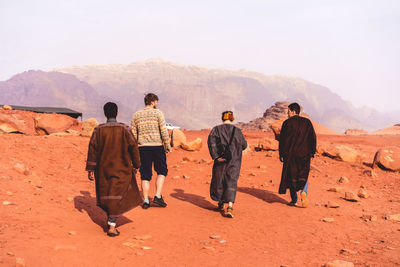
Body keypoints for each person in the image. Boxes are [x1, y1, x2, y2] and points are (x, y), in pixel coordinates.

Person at [86, 102, 142, 237]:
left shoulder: (98, 130)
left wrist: (91, 168)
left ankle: (111, 219)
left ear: (105, 113)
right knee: (117, 194)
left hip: (103, 169)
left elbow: (92, 149)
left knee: (108, 193)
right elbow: (134, 146)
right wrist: (136, 164)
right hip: (122, 168)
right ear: (117, 113)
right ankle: (112, 225)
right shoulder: (124, 129)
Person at [131, 93, 171, 209]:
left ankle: (146, 200)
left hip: (142, 148)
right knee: (162, 171)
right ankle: (157, 196)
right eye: (156, 102)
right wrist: (167, 145)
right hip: (157, 146)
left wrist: (134, 150)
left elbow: (133, 134)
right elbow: (163, 131)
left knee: (145, 174)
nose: (157, 104)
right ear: (153, 102)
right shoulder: (158, 113)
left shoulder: (136, 115)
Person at [207, 111, 248, 218]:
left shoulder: (216, 129)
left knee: (219, 180)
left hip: (220, 161)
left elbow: (211, 143)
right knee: (231, 181)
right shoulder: (238, 131)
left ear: (222, 118)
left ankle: (220, 203)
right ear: (232, 118)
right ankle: (230, 206)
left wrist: (216, 156)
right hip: (234, 161)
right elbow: (244, 145)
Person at [278, 102, 316, 208]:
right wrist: (312, 151)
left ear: (293, 111)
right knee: (304, 174)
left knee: (291, 175)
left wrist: (281, 153)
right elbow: (312, 137)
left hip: (291, 155)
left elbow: (283, 140)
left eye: (288, 112)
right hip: (304, 154)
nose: (287, 114)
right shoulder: (307, 122)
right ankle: (304, 192)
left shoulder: (287, 123)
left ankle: (294, 199)